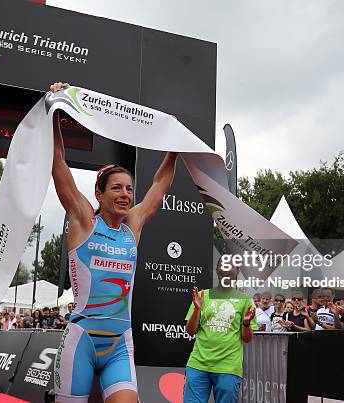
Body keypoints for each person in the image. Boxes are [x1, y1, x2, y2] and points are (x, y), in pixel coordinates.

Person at [50, 81, 178, 403]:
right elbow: (58, 165)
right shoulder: (83, 221)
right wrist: (55, 112)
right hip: (81, 341)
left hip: (120, 343)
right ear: (99, 193)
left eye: (129, 189)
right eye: (117, 188)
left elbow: (160, 184)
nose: (125, 195)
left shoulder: (132, 226)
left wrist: (174, 146)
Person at [184, 259, 255, 403]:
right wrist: (197, 310)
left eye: (231, 266)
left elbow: (247, 338)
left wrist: (246, 323)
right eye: (223, 265)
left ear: (237, 271)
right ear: (217, 270)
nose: (226, 269)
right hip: (198, 365)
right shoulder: (202, 295)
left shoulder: (245, 300)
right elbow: (190, 331)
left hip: (228, 368)